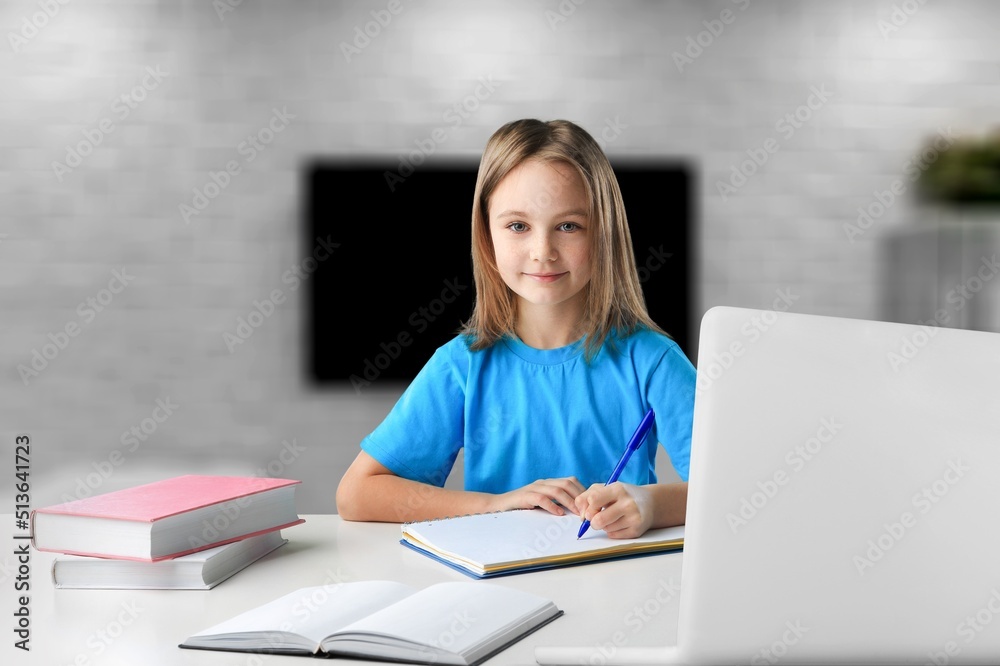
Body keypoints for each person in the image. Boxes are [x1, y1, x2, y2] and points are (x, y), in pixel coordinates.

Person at [336, 118, 696, 538]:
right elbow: (356, 494)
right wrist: (497, 505)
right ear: (486, 237)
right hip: (497, 596)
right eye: (518, 226)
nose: (542, 252)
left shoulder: (652, 361)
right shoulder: (461, 366)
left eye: (568, 226)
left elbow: (733, 486)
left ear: (604, 234)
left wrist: (650, 504)